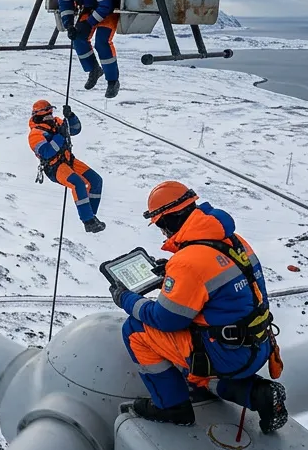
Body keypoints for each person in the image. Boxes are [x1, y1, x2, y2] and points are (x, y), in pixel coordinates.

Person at [109, 181, 287, 431]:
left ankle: (172, 407)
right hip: (258, 346)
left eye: (161, 224)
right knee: (195, 370)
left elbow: (166, 319)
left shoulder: (189, 262)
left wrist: (126, 299)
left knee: (135, 329)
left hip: (228, 356)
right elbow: (218, 283)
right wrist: (173, 273)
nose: (163, 232)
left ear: (169, 220)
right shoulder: (233, 240)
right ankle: (258, 394)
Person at [27, 99, 105, 233]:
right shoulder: (35, 134)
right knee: (77, 184)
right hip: (54, 167)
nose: (51, 117)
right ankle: (88, 221)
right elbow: (46, 152)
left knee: (96, 180)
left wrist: (71, 116)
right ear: (38, 116)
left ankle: (91, 216)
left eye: (51, 113)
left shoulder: (57, 123)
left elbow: (75, 129)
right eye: (47, 114)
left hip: (69, 160)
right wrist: (60, 136)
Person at [52, 0, 121, 99]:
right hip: (88, 11)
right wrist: (69, 24)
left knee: (102, 43)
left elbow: (106, 6)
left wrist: (88, 23)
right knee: (77, 39)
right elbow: (65, 5)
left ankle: (112, 81)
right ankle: (94, 69)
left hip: (108, 12)